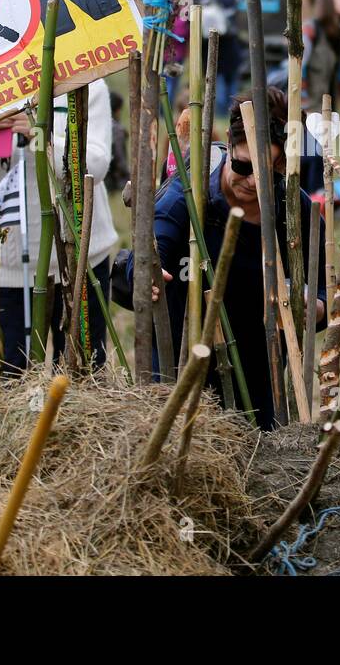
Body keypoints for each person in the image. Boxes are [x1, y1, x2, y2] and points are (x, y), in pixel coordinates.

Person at [125, 87, 327, 428]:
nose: (252, 183)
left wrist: (310, 306)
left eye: (269, 174)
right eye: (244, 166)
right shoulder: (187, 196)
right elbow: (147, 253)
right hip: (182, 361)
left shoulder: (297, 213)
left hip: (259, 370)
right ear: (229, 149)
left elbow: (323, 295)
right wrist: (146, 274)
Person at [0, 79, 117, 373]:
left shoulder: (85, 81)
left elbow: (97, 165)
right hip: (9, 264)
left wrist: (38, 134)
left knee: (82, 370)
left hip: (80, 258)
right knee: (11, 373)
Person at [301, 0, 340, 112]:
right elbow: (299, 67)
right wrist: (303, 101)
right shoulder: (310, 29)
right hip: (307, 107)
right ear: (328, 2)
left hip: (327, 107)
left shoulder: (338, 34)